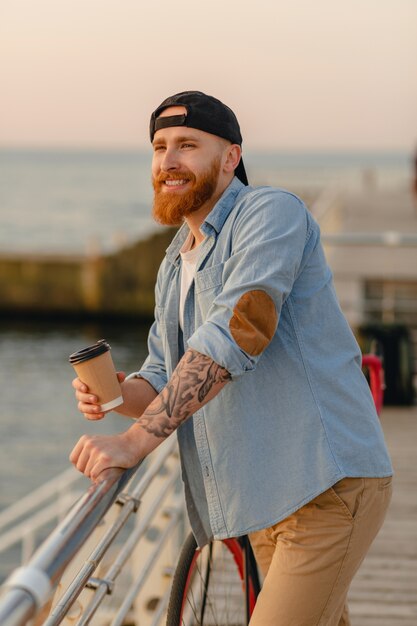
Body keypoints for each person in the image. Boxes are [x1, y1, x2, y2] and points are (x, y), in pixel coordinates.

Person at [70, 91, 393, 625]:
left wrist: (134, 442)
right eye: (159, 147)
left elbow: (240, 331)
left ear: (230, 157)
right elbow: (160, 374)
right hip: (263, 499)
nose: (168, 161)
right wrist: (115, 396)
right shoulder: (175, 263)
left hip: (325, 486)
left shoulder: (270, 213)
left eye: (188, 145)